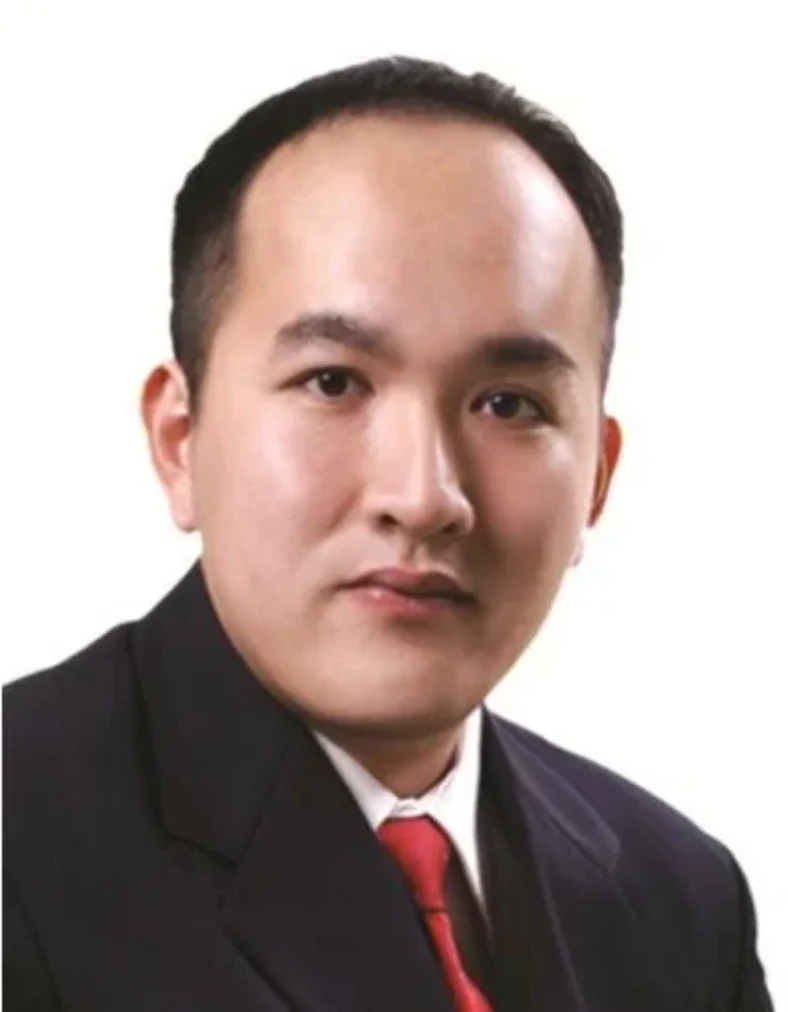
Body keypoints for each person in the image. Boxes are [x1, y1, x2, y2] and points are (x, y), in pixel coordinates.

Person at [3, 55, 773, 1011]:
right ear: (180, 439)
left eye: (509, 403)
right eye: (333, 382)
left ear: (597, 479)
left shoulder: (681, 902)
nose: (424, 496)